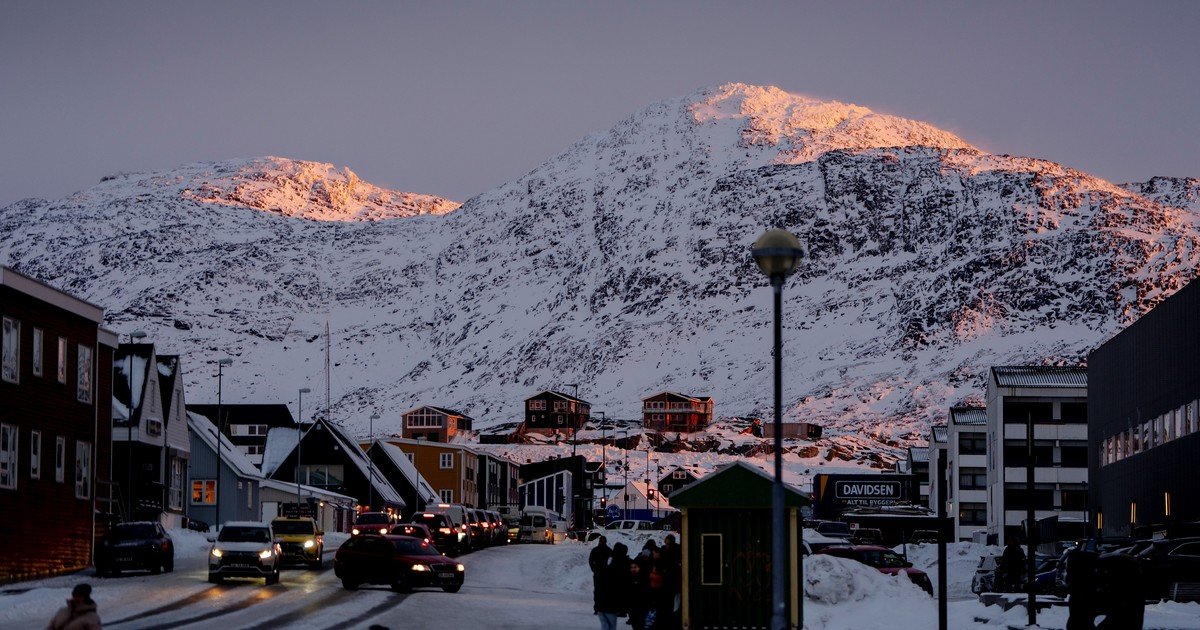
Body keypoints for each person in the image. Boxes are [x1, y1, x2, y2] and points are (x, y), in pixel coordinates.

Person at [596, 542, 630, 630]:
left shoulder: (612, 561)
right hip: (611, 601)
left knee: (606, 624)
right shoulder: (622, 562)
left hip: (607, 600)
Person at [590, 536, 611, 614]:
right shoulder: (595, 550)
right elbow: (591, 561)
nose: (602, 543)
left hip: (605, 574)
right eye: (601, 541)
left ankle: (603, 607)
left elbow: (612, 561)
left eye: (603, 541)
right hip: (598, 574)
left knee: (604, 591)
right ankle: (597, 608)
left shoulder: (608, 551)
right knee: (598, 591)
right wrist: (594, 570)